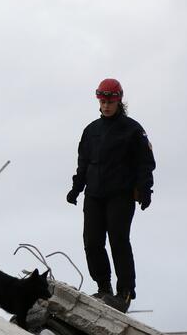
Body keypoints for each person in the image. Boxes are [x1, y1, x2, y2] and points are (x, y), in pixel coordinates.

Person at [66, 77, 155, 312]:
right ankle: (103, 288)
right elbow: (83, 163)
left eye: (110, 100)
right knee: (92, 242)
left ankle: (124, 293)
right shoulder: (91, 130)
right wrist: (76, 188)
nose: (106, 105)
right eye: (102, 100)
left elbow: (145, 163)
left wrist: (145, 190)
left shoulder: (133, 130)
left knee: (118, 241)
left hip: (120, 195)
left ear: (119, 100)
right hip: (94, 195)